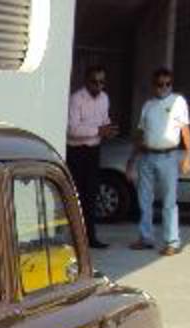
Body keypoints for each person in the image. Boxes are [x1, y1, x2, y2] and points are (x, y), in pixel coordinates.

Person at [128, 66, 190, 256]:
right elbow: (140, 133)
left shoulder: (178, 101)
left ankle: (172, 241)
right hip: (147, 155)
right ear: (153, 85)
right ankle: (146, 237)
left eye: (167, 84)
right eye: (160, 84)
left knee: (169, 201)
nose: (164, 87)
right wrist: (131, 160)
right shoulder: (148, 105)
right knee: (144, 200)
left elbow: (185, 130)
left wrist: (188, 156)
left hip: (168, 156)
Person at [67, 64, 117, 249]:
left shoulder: (104, 98)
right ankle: (75, 238)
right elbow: (72, 130)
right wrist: (98, 130)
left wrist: (109, 129)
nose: (98, 86)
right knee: (76, 196)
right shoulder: (76, 99)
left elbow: (104, 120)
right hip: (77, 152)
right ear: (86, 81)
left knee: (91, 195)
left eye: (102, 82)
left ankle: (91, 237)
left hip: (94, 151)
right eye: (94, 82)